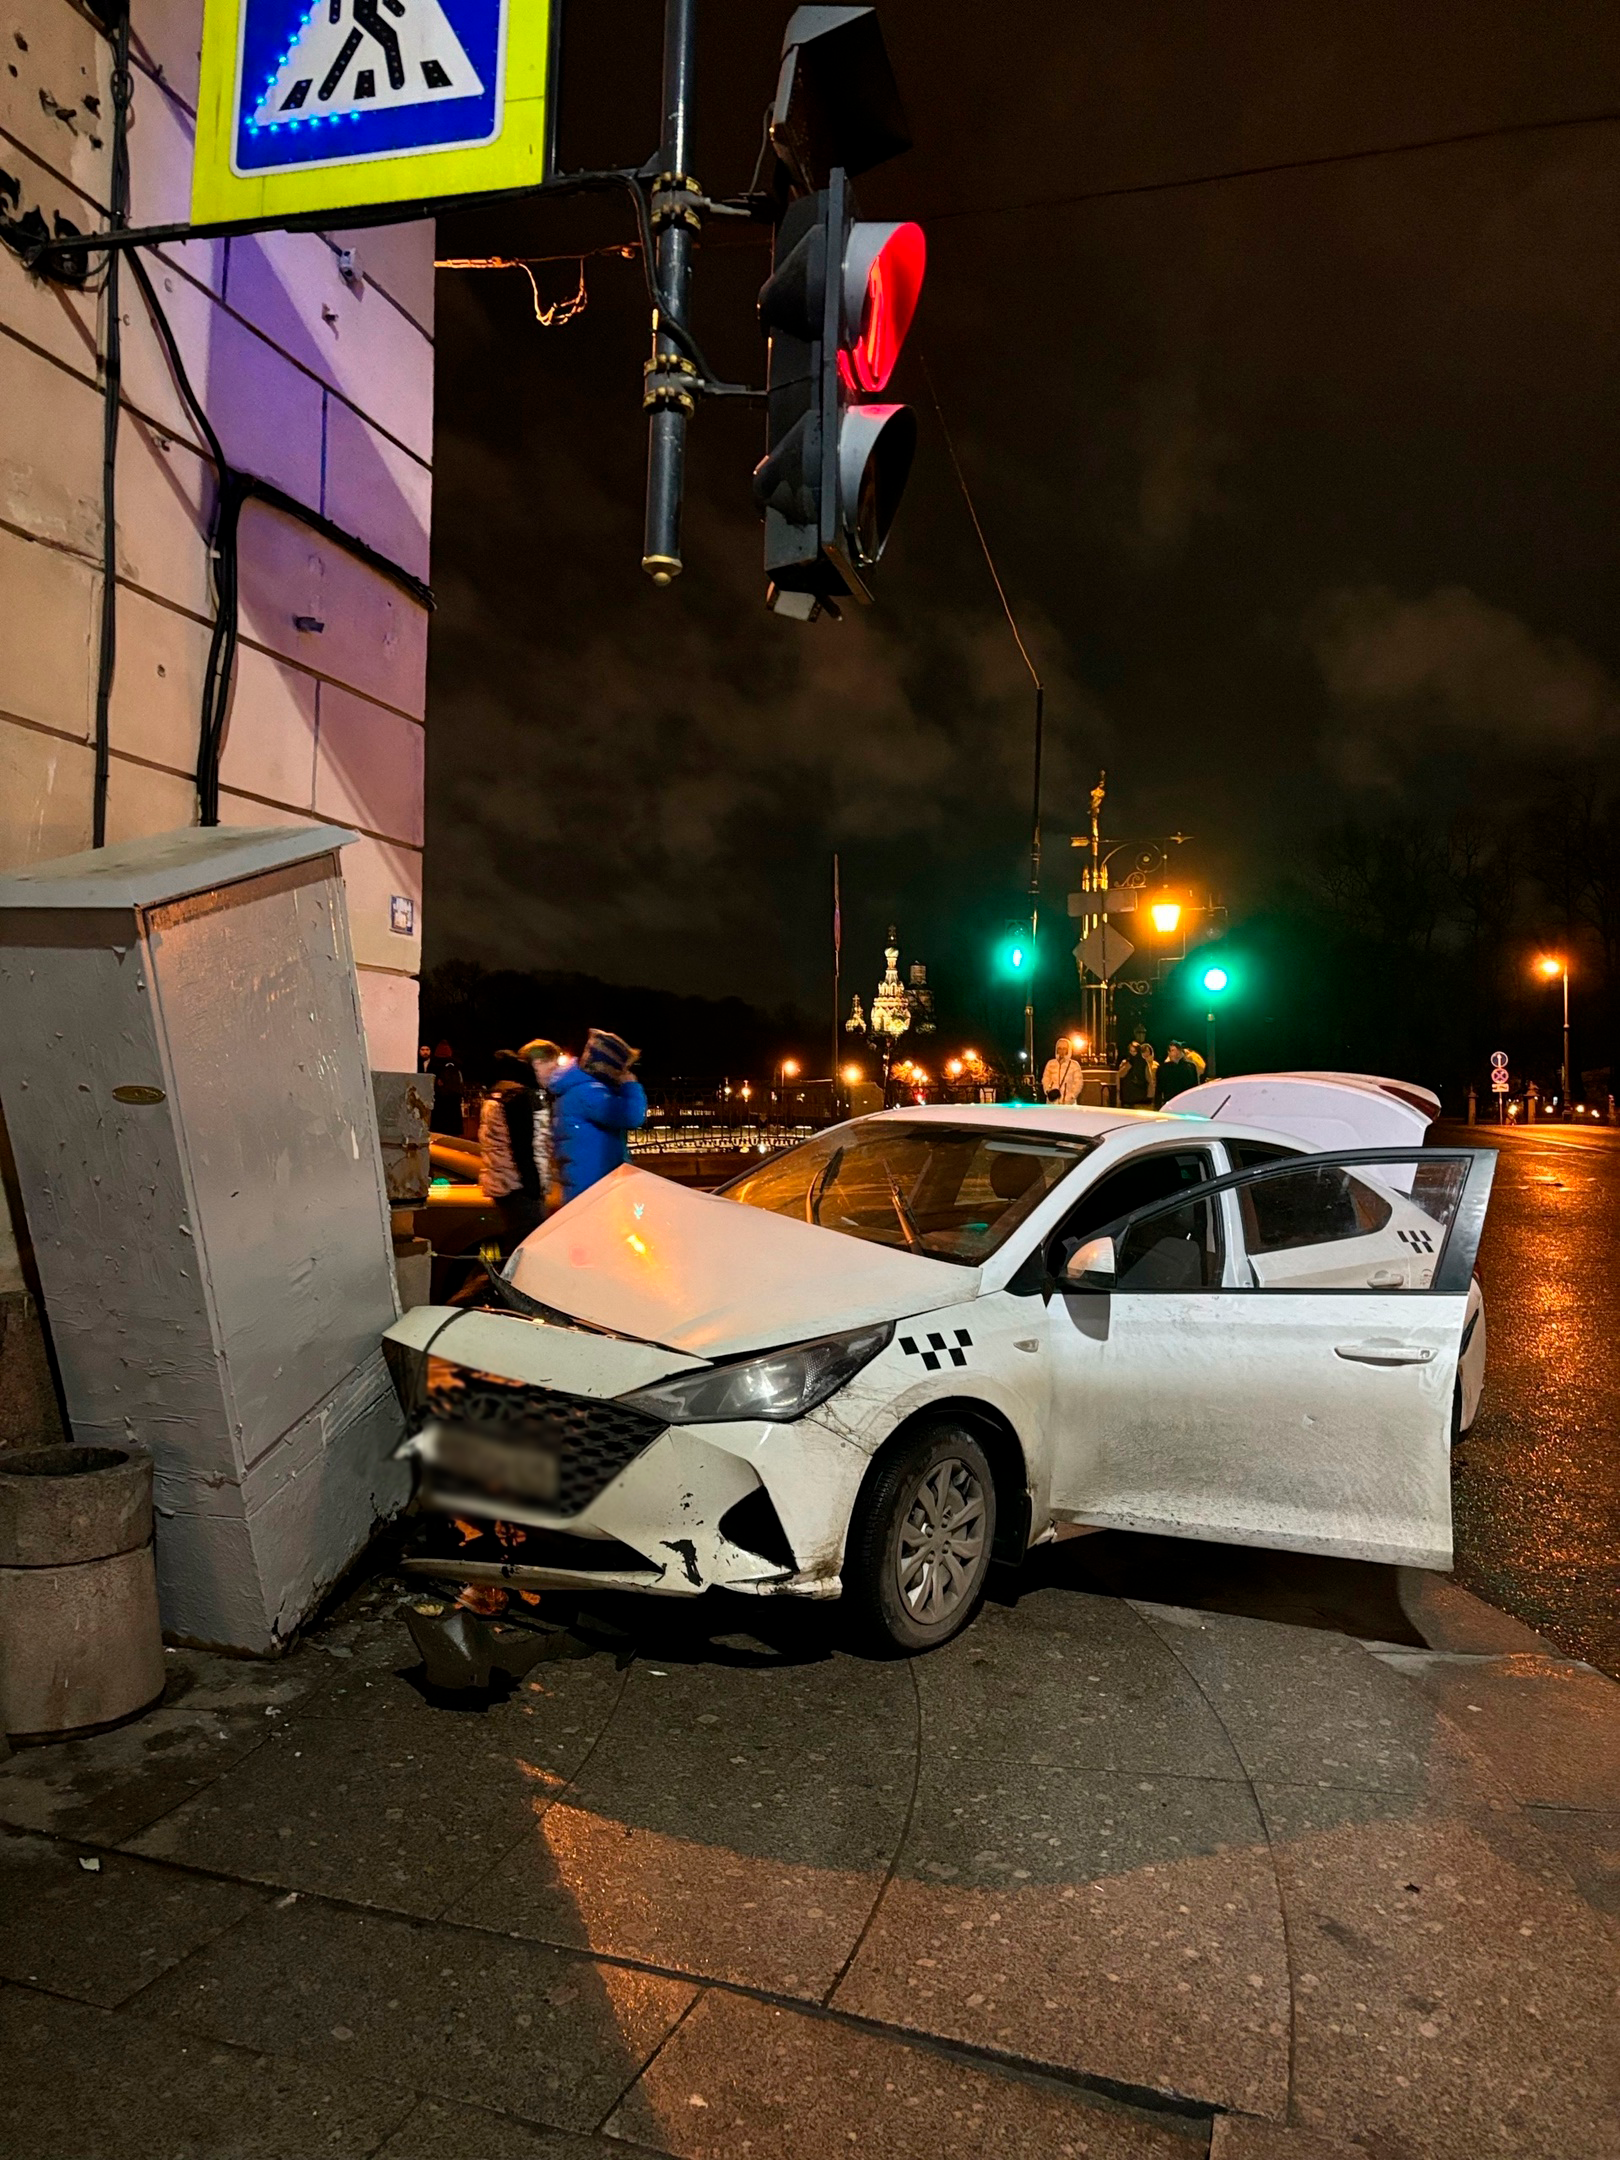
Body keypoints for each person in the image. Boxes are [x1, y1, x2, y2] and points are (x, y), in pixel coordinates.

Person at [549, 1030, 648, 1203]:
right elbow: (632, 1116)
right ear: (610, 1066)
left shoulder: (577, 1089)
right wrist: (631, 1085)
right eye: (622, 1068)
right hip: (595, 1186)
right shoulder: (589, 1092)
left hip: (585, 1183)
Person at [478, 1048, 551, 1252]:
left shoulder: (495, 1098)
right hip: (518, 1186)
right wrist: (534, 1188)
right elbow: (523, 1149)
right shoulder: (517, 1098)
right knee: (528, 1246)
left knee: (516, 1242)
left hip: (502, 1183)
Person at [427, 1040, 464, 1136]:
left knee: (439, 1130)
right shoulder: (456, 1064)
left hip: (440, 1100)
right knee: (453, 1130)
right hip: (454, 1101)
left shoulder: (434, 1064)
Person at [1041, 1035, 1084, 1105]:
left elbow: (1078, 1082)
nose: (1062, 1051)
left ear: (1068, 1050)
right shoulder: (1050, 1063)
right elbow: (1045, 1079)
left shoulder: (1074, 1065)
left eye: (1064, 1049)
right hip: (1053, 1101)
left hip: (1068, 1102)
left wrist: (1072, 1096)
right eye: (1059, 1048)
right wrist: (1048, 1091)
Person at [1155, 1039, 1199, 1106]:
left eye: (1178, 1049)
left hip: (1187, 1102)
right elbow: (1159, 1089)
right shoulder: (1163, 1068)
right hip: (1170, 1102)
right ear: (1169, 1053)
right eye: (1173, 1050)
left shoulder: (1190, 1066)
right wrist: (1158, 1105)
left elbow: (1195, 1086)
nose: (1176, 1052)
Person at [1118, 1033, 1156, 1108]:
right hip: (1127, 1096)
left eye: (1134, 1051)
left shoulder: (1143, 1062)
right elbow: (1120, 1075)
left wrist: (1150, 1096)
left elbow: (1149, 1079)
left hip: (1140, 1096)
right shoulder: (1126, 1062)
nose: (1132, 1054)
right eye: (1131, 1051)